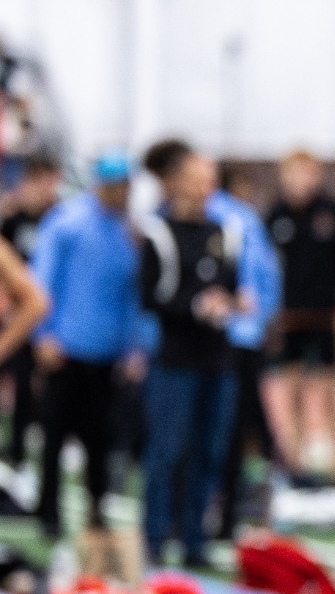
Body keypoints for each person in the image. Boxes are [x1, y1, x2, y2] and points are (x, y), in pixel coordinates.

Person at [137, 140, 241, 568]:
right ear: (176, 181)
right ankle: (155, 541)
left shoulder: (223, 232)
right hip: (175, 362)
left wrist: (233, 302)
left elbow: (230, 287)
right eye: (198, 177)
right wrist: (197, 306)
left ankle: (196, 541)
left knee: (209, 453)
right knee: (166, 453)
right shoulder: (157, 234)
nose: (206, 186)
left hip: (217, 361)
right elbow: (151, 296)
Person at [30, 153, 141, 543]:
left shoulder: (128, 235)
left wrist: (133, 346)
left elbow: (131, 295)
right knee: (55, 437)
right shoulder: (67, 224)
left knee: (100, 440)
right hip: (65, 348)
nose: (120, 193)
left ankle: (97, 513)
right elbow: (40, 282)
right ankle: (48, 512)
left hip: (105, 353)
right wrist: (43, 334)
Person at [209, 165, 281, 540]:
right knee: (227, 430)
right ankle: (221, 510)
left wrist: (262, 315)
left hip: (235, 338)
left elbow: (265, 276)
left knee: (234, 429)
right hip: (221, 339)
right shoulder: (222, 216)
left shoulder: (241, 218)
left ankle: (228, 509)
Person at [267, 150, 335, 469]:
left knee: (330, 384)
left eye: (307, 172)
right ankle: (295, 449)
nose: (301, 179)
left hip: (325, 311)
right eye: (294, 172)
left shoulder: (331, 211)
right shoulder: (276, 214)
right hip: (289, 313)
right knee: (293, 384)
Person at [2, 155, 60, 468]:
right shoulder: (14, 219)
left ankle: (18, 457)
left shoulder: (57, 219)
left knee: (28, 392)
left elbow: (37, 301)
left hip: (37, 329)